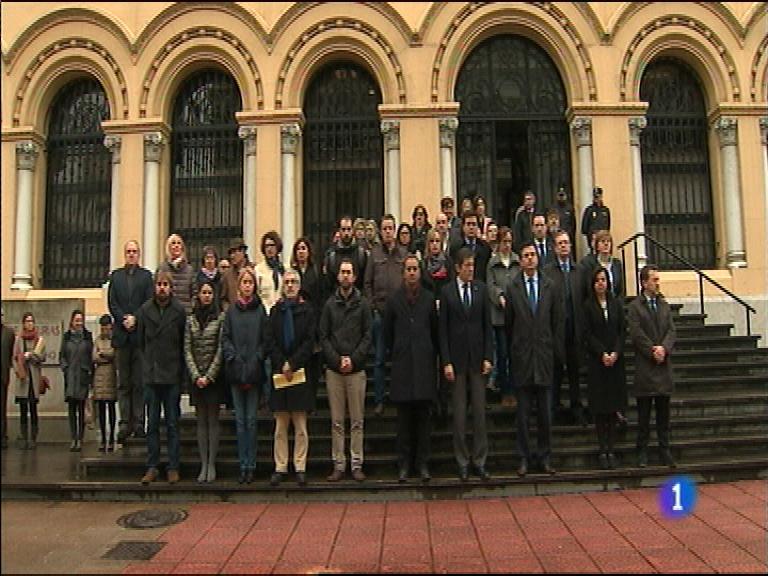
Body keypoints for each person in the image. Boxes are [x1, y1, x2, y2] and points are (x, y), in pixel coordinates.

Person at [506, 242, 564, 477]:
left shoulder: (550, 286)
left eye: (533, 255)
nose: (530, 258)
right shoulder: (513, 287)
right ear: (520, 260)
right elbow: (509, 324)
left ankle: (545, 456)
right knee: (522, 415)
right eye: (526, 255)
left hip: (544, 357)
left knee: (545, 414)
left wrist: (553, 350)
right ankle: (523, 457)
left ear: (538, 258)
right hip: (522, 358)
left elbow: (557, 321)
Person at [439, 247, 494, 482]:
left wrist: (489, 356)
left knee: (479, 414)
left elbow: (487, 326)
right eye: (467, 266)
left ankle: (480, 460)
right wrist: (446, 361)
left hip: (478, 359)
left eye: (473, 265)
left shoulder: (481, 290)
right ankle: (462, 461)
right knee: (460, 415)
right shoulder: (447, 292)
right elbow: (442, 331)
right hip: (457, 360)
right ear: (457, 268)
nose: (471, 270)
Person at [383, 255, 438, 483]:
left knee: (424, 422)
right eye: (409, 269)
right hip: (403, 367)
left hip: (424, 367)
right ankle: (404, 465)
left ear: (420, 272)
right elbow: (387, 334)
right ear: (403, 273)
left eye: (415, 269)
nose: (412, 272)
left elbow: (434, 332)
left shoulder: (428, 299)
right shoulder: (394, 301)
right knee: (403, 423)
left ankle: (422, 464)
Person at [320, 259, 372, 483]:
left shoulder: (363, 305)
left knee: (357, 421)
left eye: (349, 272)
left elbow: (368, 335)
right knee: (337, 422)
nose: (345, 276)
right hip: (334, 371)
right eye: (342, 272)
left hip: (356, 370)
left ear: (355, 277)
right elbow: (323, 337)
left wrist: (354, 359)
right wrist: (336, 359)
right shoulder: (329, 305)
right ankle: (339, 464)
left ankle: (356, 464)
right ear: (338, 276)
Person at [266, 270, 316, 487]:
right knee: (280, 426)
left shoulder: (308, 311)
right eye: (286, 282)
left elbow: (309, 341)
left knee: (300, 425)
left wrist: (293, 363)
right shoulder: (275, 312)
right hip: (280, 373)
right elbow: (269, 341)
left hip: (300, 372)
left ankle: (300, 466)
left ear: (299, 285)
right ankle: (280, 466)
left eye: (294, 282)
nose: (290, 285)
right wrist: (282, 363)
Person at [137, 270, 187, 485]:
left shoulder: (179, 311)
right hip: (152, 375)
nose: (162, 288)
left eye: (166, 284)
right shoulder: (145, 310)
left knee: (173, 424)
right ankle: (152, 466)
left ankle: (173, 466)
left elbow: (183, 343)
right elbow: (140, 343)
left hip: (172, 375)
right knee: (153, 424)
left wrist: (181, 376)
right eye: (159, 284)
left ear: (171, 287)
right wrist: (147, 366)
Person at [628, 265, 677, 469]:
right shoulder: (635, 307)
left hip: (663, 366)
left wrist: (664, 348)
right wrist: (652, 350)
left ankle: (665, 449)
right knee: (644, 415)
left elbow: (671, 330)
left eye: (658, 279)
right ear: (644, 282)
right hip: (646, 367)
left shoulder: (664, 305)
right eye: (654, 280)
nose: (657, 283)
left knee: (663, 415)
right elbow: (636, 333)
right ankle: (642, 451)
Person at [222, 268, 266, 484]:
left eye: (250, 282)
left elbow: (264, 340)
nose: (247, 286)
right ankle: (243, 464)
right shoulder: (231, 312)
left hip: (254, 371)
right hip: (236, 371)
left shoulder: (260, 311)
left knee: (251, 421)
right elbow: (226, 338)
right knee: (240, 421)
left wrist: (256, 359)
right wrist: (234, 358)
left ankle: (252, 465)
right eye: (244, 282)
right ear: (239, 286)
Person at [108, 240, 153, 444]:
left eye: (134, 251)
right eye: (128, 251)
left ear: (139, 254)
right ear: (124, 254)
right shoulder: (116, 276)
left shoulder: (146, 277)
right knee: (123, 383)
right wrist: (123, 319)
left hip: (139, 337)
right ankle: (124, 423)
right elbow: (112, 303)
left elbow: (148, 302)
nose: (131, 254)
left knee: (139, 382)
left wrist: (136, 317)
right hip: (121, 336)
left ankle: (139, 422)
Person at [583, 268, 627, 470]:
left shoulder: (616, 304)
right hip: (597, 363)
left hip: (615, 362)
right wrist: (602, 353)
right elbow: (587, 334)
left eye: (603, 280)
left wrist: (615, 352)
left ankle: (612, 449)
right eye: (597, 280)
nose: (601, 283)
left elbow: (622, 331)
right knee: (600, 410)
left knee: (612, 408)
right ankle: (602, 450)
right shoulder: (588, 306)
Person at [365, 215, 408, 417]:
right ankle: (379, 400)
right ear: (381, 232)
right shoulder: (374, 255)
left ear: (395, 230)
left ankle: (400, 396)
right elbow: (367, 283)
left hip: (399, 314)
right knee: (379, 360)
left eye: (391, 228)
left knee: (400, 358)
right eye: (385, 228)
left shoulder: (403, 254)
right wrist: (372, 305)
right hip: (380, 313)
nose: (388, 232)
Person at [544, 230, 587, 426]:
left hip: (575, 330)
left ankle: (576, 408)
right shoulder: (548, 272)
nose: (564, 246)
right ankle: (553, 409)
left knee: (574, 373)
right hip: (556, 331)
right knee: (556, 372)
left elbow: (584, 299)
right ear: (554, 248)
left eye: (566, 243)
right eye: (560, 243)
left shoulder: (580, 271)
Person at [184, 280, 225, 484]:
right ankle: (203, 463)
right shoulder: (190, 319)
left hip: (213, 377)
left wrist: (209, 375)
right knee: (201, 420)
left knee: (213, 420)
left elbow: (221, 348)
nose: (207, 296)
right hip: (196, 376)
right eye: (204, 292)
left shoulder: (220, 318)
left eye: (210, 292)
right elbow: (187, 348)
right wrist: (196, 375)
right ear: (198, 295)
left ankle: (212, 463)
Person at [486, 227, 520, 407]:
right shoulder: (493, 263)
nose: (507, 245)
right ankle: (505, 390)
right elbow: (490, 285)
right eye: (504, 241)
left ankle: (515, 389)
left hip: (516, 315)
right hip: (499, 316)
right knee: (502, 353)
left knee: (514, 354)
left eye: (509, 241)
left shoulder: (517, 261)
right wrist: (499, 296)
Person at [291, 237, 323, 400]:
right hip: (296, 323)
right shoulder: (291, 273)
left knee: (313, 367)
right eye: (298, 249)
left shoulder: (316, 272)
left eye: (304, 248)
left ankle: (312, 401)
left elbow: (320, 298)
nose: (301, 252)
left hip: (313, 322)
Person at [60, 309, 94, 452]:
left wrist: (90, 373)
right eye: (76, 320)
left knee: (81, 408)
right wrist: (65, 368)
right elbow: (62, 355)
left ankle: (80, 438)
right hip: (70, 376)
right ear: (72, 321)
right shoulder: (66, 337)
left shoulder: (87, 336)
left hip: (82, 375)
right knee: (72, 409)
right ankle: (73, 438)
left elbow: (91, 356)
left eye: (81, 320)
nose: (79, 323)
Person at [13, 312, 45, 449]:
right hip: (22, 379)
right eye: (27, 321)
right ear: (23, 323)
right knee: (23, 410)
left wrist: (32, 355)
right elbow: (14, 358)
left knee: (33, 409)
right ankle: (24, 437)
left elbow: (42, 357)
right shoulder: (18, 339)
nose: (30, 323)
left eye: (31, 321)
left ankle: (33, 438)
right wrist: (18, 370)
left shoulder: (39, 339)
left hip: (33, 378)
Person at [92, 314, 118, 452]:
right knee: (101, 410)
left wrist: (103, 354)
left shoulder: (114, 340)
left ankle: (112, 437)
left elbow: (114, 354)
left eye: (106, 327)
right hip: (99, 379)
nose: (104, 330)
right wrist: (106, 356)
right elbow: (94, 357)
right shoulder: (97, 340)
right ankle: (103, 438)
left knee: (111, 408)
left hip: (111, 376)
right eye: (102, 328)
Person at [325, 216, 368, 292]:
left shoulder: (361, 253)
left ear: (353, 230)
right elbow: (329, 283)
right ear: (339, 231)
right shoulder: (332, 255)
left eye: (349, 229)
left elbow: (365, 280)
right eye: (343, 229)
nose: (346, 233)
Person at [449, 210, 492, 283]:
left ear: (478, 227)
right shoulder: (455, 247)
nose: (471, 227)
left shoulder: (485, 247)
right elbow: (452, 272)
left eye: (474, 224)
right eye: (468, 224)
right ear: (463, 227)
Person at [157, 233, 195, 314]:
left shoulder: (189, 270)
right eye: (173, 243)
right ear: (168, 247)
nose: (176, 246)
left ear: (182, 247)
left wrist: (191, 308)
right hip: (166, 313)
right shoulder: (162, 268)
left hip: (185, 313)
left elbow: (194, 293)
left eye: (179, 243)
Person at [582, 230, 624, 300]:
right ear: (597, 246)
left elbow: (620, 290)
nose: (606, 244)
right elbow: (588, 288)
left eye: (608, 241)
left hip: (614, 303)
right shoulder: (589, 263)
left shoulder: (617, 263)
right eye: (603, 241)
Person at [255, 231, 285, 314]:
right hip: (265, 314)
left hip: (281, 313)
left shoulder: (285, 269)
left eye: (272, 245)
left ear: (277, 247)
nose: (269, 249)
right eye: (266, 246)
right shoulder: (258, 270)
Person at [220, 238, 252, 310]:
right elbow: (223, 298)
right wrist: (229, 311)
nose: (232, 256)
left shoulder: (254, 270)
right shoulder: (227, 275)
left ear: (243, 251)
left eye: (234, 252)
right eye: (230, 253)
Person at [581, 186, 611, 254]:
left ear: (601, 196)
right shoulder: (589, 210)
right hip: (593, 240)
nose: (596, 199)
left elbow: (608, 227)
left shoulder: (605, 210)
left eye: (598, 197)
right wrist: (591, 234)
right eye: (595, 197)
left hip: (603, 239)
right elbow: (584, 228)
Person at [1, 307, 15, 449]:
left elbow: (12, 354)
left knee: (2, 408)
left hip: (3, 376)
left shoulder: (9, 333)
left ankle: (3, 436)